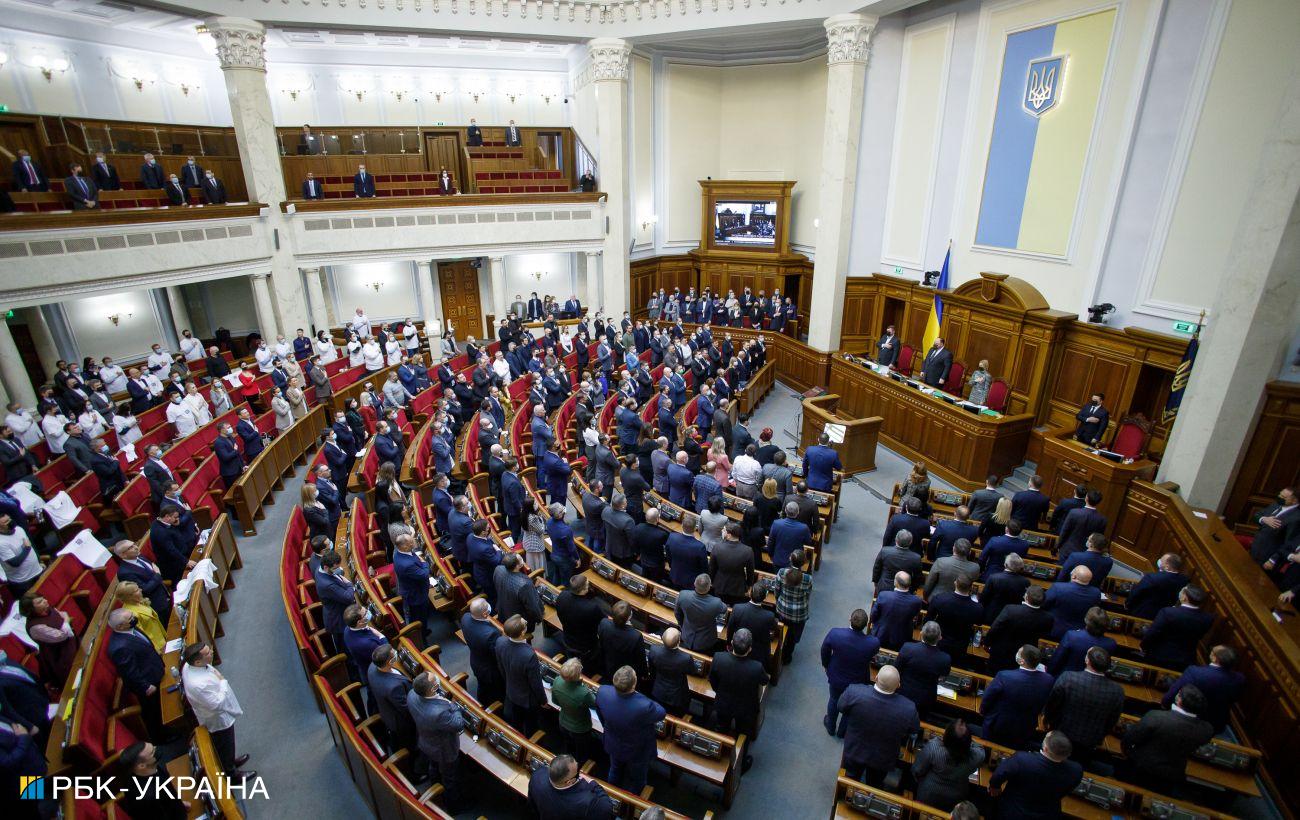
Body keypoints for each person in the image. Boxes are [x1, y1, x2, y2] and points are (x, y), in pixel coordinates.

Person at [1120, 684, 1214, 797]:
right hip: (1172, 774)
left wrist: (1130, 754)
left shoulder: (1156, 717)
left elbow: (1129, 739)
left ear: (1179, 700)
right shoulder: (1206, 730)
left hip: (1140, 768)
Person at [836, 665, 919, 786]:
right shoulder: (909, 708)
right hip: (883, 757)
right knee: (875, 784)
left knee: (851, 778)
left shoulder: (854, 692)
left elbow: (840, 707)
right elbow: (914, 729)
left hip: (855, 749)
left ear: (876, 678)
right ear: (898, 685)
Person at [181, 642, 253, 778]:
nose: (212, 652)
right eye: (208, 653)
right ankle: (231, 774)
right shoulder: (198, 684)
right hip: (217, 719)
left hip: (217, 711)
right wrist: (223, 682)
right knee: (225, 744)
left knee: (228, 744)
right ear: (197, 662)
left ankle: (231, 761)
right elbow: (217, 704)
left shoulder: (189, 665)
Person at [1043, 646, 1125, 762]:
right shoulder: (1117, 691)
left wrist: (1048, 722)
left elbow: (1052, 705)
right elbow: (1112, 720)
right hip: (1090, 740)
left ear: (1087, 661)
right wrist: (1100, 736)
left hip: (1061, 733)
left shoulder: (1068, 678)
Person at [595, 666, 665, 794]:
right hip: (637, 750)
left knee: (615, 769)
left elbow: (600, 714)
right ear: (634, 684)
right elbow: (661, 712)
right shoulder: (644, 705)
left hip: (613, 742)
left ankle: (611, 794)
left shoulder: (603, 691)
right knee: (638, 778)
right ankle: (634, 797)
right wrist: (638, 695)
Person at [987, 732, 1083, 818]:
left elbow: (998, 775)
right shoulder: (1076, 770)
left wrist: (995, 787)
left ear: (1045, 748)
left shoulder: (1022, 759)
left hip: (1013, 812)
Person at [106, 609, 168, 742]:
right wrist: (145, 687)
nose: (134, 617)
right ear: (120, 626)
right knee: (154, 711)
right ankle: (162, 737)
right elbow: (130, 672)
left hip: (154, 670)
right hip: (148, 683)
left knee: (162, 706)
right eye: (130, 618)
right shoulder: (119, 647)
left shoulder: (129, 629)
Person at [407, 672, 465, 809]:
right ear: (433, 688)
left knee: (434, 767)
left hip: (426, 742)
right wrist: (454, 706)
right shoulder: (439, 713)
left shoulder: (412, 694)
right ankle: (454, 805)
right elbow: (458, 724)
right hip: (444, 750)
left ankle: (435, 784)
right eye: (435, 680)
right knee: (450, 777)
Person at [710, 628, 768, 764]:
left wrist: (720, 692)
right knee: (743, 733)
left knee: (721, 727)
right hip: (745, 708)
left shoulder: (719, 658)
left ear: (731, 643)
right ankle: (741, 762)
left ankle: (718, 754)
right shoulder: (756, 667)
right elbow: (764, 680)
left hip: (723, 703)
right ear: (750, 649)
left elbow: (712, 680)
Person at [980, 644, 1056, 749]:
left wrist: (983, 711)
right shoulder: (1049, 680)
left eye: (1019, 653)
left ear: (1022, 661)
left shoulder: (1004, 676)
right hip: (1026, 727)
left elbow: (988, 698)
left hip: (999, 724)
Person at [820, 608, 879, 737]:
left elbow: (824, 649)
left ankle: (830, 726)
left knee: (834, 699)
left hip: (836, 675)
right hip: (857, 680)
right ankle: (842, 732)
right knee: (851, 706)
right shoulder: (873, 643)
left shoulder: (835, 634)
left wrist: (826, 665)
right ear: (866, 625)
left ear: (850, 619)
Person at [1162, 644, 1244, 735]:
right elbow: (1234, 698)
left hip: (1187, 720)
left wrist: (1165, 704)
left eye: (1212, 651)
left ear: (1215, 659)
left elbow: (1174, 692)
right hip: (1215, 723)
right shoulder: (1239, 679)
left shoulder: (1194, 672)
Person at [912, 718, 985, 811]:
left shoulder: (934, 748)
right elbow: (980, 748)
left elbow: (917, 770)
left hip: (928, 793)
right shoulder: (976, 756)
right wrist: (964, 740)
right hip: (956, 798)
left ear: (946, 737)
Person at [1140, 584, 1215, 671]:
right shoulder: (1208, 618)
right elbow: (1200, 636)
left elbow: (1153, 632)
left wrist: (1143, 646)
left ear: (1184, 598)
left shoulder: (1168, 612)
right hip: (1186, 659)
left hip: (1160, 655)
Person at [495, 615, 545, 736]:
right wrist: (543, 700)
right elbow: (535, 682)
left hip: (511, 691)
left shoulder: (500, 642)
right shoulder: (528, 654)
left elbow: (501, 667)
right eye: (524, 624)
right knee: (531, 724)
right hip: (528, 699)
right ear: (522, 633)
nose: (526, 621)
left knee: (516, 721)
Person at [985, 585, 1053, 673]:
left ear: (1026, 597)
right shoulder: (1048, 618)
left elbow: (995, 628)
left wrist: (987, 643)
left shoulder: (1010, 610)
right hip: (1026, 655)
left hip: (1002, 651)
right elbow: (1044, 634)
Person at [528, 754, 614, 819]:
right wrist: (593, 783)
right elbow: (607, 809)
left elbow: (532, 805)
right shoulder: (588, 801)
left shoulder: (537, 776)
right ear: (569, 782)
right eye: (578, 773)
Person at [117, 742, 189, 820]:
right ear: (141, 765)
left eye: (153, 747)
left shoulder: (151, 766)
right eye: (152, 752)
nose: (156, 749)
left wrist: (179, 804)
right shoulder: (149, 798)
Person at [895, 621, 952, 719]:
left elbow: (897, 668)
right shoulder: (945, 659)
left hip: (903, 693)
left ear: (921, 633)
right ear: (940, 637)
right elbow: (943, 677)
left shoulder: (908, 648)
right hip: (925, 699)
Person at [18, 592, 76, 687]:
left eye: (43, 598)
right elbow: (62, 635)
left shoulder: (48, 609)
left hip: (71, 643)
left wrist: (65, 619)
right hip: (60, 655)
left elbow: (61, 615)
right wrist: (66, 620)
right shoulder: (35, 627)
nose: (45, 601)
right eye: (40, 602)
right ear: (31, 609)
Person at [367, 645, 417, 756]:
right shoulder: (393, 687)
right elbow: (406, 709)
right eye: (394, 653)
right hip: (401, 722)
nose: (396, 652)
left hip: (386, 710)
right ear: (390, 662)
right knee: (411, 746)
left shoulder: (372, 667)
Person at [111, 538, 172, 624]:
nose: (136, 547)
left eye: (134, 544)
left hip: (164, 594)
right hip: (156, 605)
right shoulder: (125, 572)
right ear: (123, 555)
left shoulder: (139, 556)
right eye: (131, 547)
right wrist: (157, 575)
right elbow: (144, 590)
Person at [550, 658, 598, 763]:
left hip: (563, 722)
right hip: (580, 729)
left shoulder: (557, 681)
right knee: (582, 752)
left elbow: (555, 701)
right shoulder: (583, 693)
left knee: (568, 745)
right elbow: (595, 704)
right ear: (578, 674)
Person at [556, 575, 608, 669]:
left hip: (567, 639)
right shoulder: (592, 608)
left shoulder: (562, 596)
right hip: (587, 647)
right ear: (583, 590)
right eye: (587, 585)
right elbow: (604, 621)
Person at [1048, 607, 1117, 676]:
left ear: (1086, 620)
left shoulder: (1072, 636)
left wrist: (1049, 674)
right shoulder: (1111, 644)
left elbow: (1057, 659)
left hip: (1067, 676)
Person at [728, 582, 778, 670]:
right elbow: (774, 627)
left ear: (750, 593)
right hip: (758, 653)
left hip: (738, 646)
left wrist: (729, 643)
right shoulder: (769, 616)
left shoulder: (737, 608)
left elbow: (730, 627)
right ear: (765, 597)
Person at [1126, 553, 1191, 619]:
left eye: (1162, 561)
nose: (1159, 561)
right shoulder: (1185, 580)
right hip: (1162, 616)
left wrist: (1127, 604)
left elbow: (1136, 593)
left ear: (1167, 567)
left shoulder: (1152, 578)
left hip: (1142, 612)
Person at [775, 552, 813, 664]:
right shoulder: (808, 579)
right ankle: (787, 657)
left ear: (790, 560)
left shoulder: (782, 572)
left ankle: (780, 650)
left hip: (782, 609)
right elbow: (807, 595)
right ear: (803, 563)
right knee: (793, 637)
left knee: (781, 631)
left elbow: (777, 590)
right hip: (799, 614)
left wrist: (779, 601)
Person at [1044, 565, 1100, 639]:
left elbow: (1043, 603)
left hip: (1054, 630)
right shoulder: (1096, 593)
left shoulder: (1058, 587)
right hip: (1079, 634)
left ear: (1074, 576)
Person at [675, 574, 727, 653]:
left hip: (686, 635)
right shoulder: (716, 603)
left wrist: (682, 625)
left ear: (694, 583)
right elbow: (724, 609)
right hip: (706, 641)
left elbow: (677, 614)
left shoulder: (683, 595)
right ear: (709, 587)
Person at [1247, 486, 1300, 563]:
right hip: (1255, 547)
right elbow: (1257, 515)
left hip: (1268, 556)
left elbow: (1289, 542)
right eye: (1280, 494)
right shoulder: (1276, 504)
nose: (1279, 497)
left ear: (1294, 501)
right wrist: (1263, 519)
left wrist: (1273, 560)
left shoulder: (1297, 518)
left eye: (1283, 497)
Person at [648, 627, 693, 717]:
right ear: (679, 642)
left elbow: (651, 667)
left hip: (658, 690)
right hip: (677, 696)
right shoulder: (685, 658)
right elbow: (692, 670)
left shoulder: (654, 650)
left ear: (662, 638)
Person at [494, 553, 543, 633]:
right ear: (518, 566)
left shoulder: (498, 569)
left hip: (502, 611)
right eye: (521, 559)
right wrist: (539, 619)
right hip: (518, 622)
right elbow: (532, 607)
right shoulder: (525, 585)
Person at [598, 601, 647, 682]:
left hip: (607, 666)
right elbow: (640, 659)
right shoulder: (636, 636)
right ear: (629, 617)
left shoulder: (604, 623)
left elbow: (601, 644)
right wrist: (644, 674)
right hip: (625, 673)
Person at [1057, 489, 1107, 561]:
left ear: (1086, 498)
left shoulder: (1074, 512)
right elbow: (1098, 539)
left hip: (1068, 550)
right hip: (1087, 553)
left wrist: (1058, 546)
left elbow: (1065, 531)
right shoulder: (1102, 520)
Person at [115, 581, 166, 651]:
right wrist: (158, 650)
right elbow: (143, 636)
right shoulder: (131, 615)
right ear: (129, 597)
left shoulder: (137, 601)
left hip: (162, 638)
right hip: (157, 646)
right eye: (137, 590)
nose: (141, 590)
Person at [0, 514, 41, 600]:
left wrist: (39, 561)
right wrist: (27, 548)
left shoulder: (19, 529)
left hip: (37, 571)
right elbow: (15, 563)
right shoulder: (1, 543)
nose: (10, 522)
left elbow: (31, 547)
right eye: (6, 522)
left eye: (9, 519)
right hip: (24, 581)